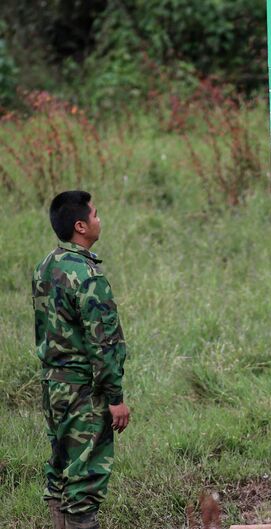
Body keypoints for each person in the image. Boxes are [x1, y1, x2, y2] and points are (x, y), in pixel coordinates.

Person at [32, 191, 130, 529]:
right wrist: (115, 398)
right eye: (96, 214)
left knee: (60, 470)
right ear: (80, 226)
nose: (99, 220)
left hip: (52, 386)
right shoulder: (88, 276)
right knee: (85, 477)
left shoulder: (45, 266)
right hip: (83, 391)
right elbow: (102, 343)